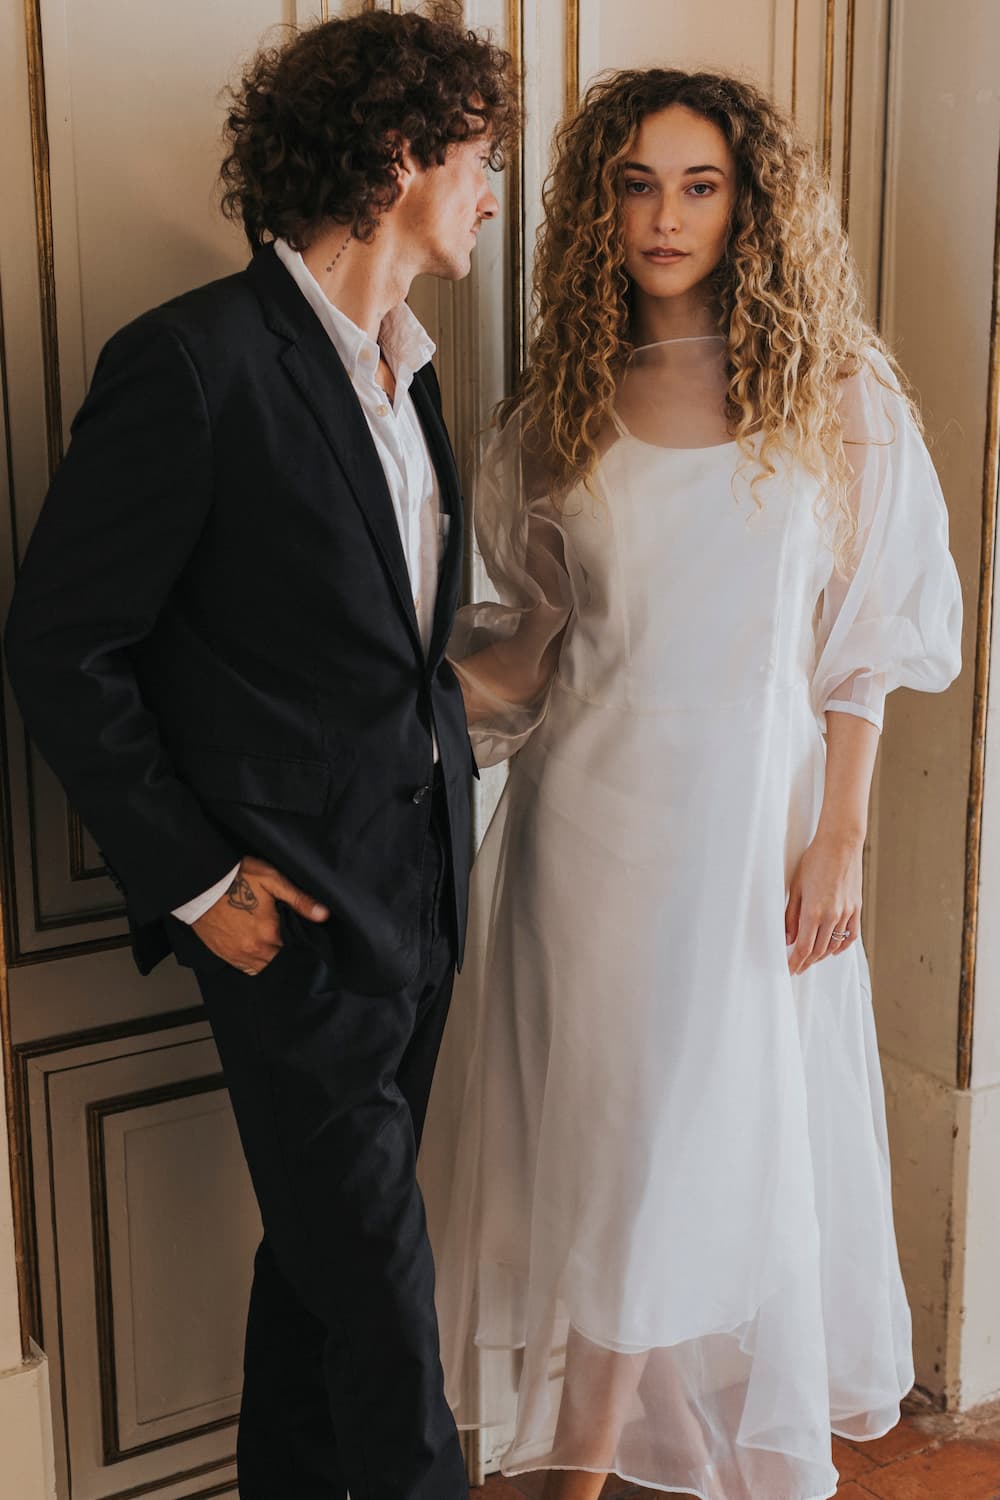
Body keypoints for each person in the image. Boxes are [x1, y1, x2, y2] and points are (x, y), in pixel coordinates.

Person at [420, 67, 962, 1500]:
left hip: (748, 843)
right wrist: (369, 709)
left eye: (701, 184)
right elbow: (532, 654)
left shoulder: (837, 401)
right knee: (608, 1162)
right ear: (601, 205)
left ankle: (579, 1474)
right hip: (585, 842)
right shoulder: (555, 414)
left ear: (750, 202)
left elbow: (862, 654)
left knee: (683, 1158)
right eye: (639, 184)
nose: (666, 216)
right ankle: (583, 1470)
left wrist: (840, 832)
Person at [4, 11, 516, 1499]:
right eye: (478, 160)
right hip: (283, 921)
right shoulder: (192, 365)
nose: (491, 192)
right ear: (404, 156)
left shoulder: (410, 372)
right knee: (387, 1316)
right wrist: (193, 879)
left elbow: (387, 654)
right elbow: (60, 646)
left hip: (419, 901)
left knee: (321, 1273)